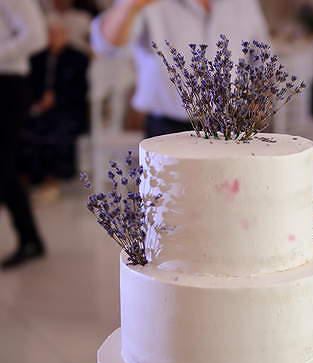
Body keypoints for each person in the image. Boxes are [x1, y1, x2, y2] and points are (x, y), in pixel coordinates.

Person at [91, 0, 269, 138]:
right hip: (168, 127)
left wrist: (257, 100)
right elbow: (106, 46)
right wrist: (130, 5)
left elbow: (261, 57)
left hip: (231, 124)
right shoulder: (150, 5)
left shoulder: (245, 3)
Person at [0, 0, 47, 269]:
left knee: (3, 166)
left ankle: (30, 239)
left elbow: (36, 36)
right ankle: (30, 238)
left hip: (7, 86)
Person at [22, 20, 89, 193]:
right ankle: (32, 177)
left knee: (58, 130)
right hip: (38, 108)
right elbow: (29, 84)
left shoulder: (78, 58)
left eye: (58, 34)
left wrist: (56, 98)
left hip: (68, 109)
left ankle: (55, 177)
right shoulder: (37, 57)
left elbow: (80, 89)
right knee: (27, 130)